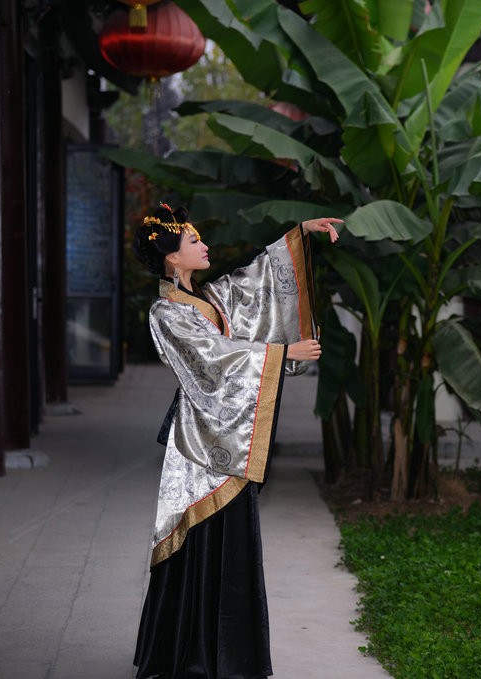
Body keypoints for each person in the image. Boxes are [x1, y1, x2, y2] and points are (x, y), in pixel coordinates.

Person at [130, 202, 341, 679]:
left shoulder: (207, 297)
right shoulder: (166, 312)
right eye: (194, 241)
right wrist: (283, 351)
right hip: (198, 447)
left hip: (228, 435)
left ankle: (227, 658)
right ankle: (190, 658)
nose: (205, 246)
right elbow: (214, 359)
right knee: (200, 543)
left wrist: (300, 234)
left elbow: (251, 284)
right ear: (172, 257)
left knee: (232, 544)